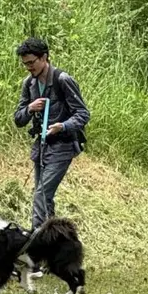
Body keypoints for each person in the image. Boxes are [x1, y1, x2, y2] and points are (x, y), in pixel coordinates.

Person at [13, 37, 91, 228]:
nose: (29, 68)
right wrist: (30, 108)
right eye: (25, 64)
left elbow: (83, 114)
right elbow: (18, 119)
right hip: (41, 147)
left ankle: (36, 239)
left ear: (44, 57)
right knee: (44, 197)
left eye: (31, 62)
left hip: (63, 146)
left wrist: (62, 126)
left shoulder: (62, 80)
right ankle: (52, 241)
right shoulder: (28, 84)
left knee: (41, 194)